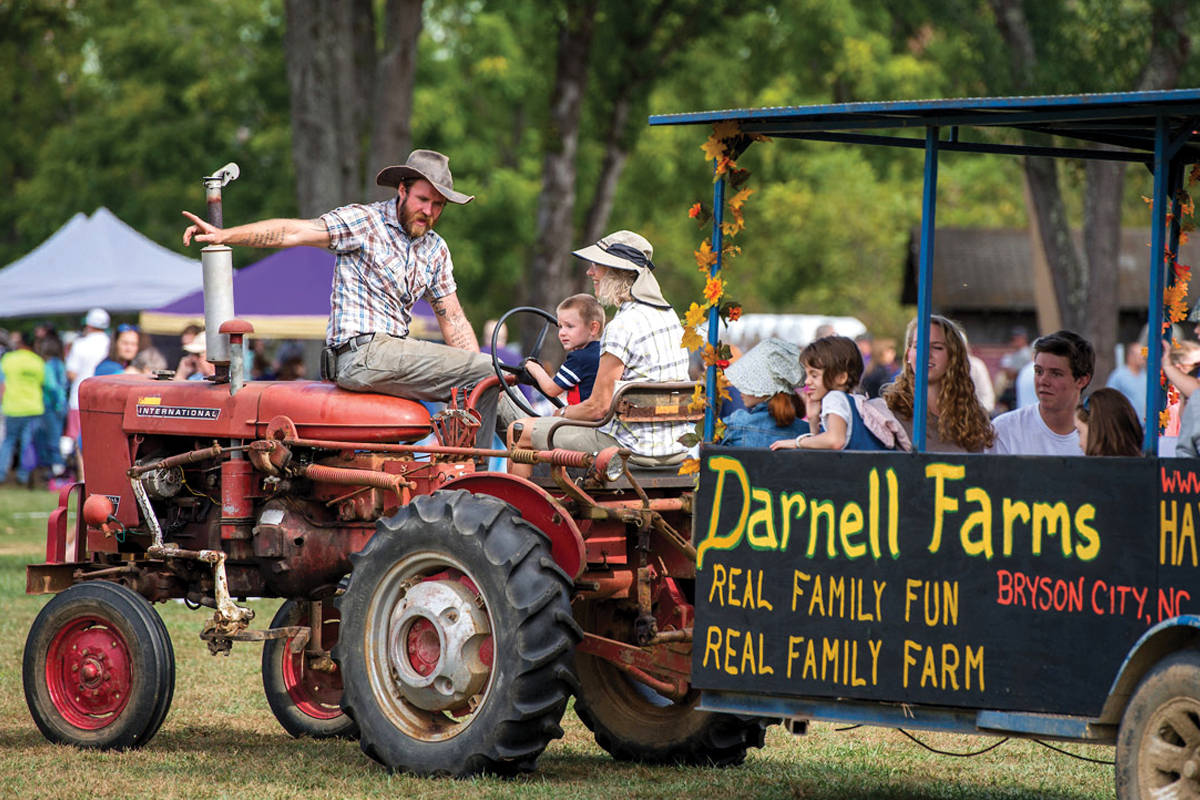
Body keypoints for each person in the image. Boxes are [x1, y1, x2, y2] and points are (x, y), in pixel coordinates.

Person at [183, 149, 505, 447]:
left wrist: (481, 371)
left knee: (496, 379)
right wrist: (226, 235)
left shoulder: (435, 249)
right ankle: (475, 478)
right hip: (361, 354)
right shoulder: (365, 222)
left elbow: (454, 320)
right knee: (486, 370)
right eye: (423, 199)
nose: (428, 211)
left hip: (394, 360)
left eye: (438, 205)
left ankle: (542, 456)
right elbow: (296, 232)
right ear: (403, 189)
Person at [507, 231, 690, 475]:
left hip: (628, 449)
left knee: (518, 431)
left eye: (596, 265)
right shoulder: (670, 318)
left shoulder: (622, 325)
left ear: (617, 271)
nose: (589, 272)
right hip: (674, 448)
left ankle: (521, 510)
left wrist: (561, 413)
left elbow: (598, 409)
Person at [884, 315, 995, 453]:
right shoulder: (887, 413)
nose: (926, 354)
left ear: (954, 356)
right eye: (918, 346)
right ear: (908, 354)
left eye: (937, 347)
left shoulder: (972, 418)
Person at [769, 335, 900, 452]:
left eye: (814, 375)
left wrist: (797, 442)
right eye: (807, 374)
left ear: (840, 377)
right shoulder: (855, 401)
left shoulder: (834, 397)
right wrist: (813, 419)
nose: (807, 381)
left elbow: (835, 440)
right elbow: (821, 451)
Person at [989, 330, 1094, 456]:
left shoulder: (1099, 435)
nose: (1043, 381)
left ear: (1082, 380)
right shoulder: (1005, 429)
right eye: (1038, 371)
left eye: (1055, 374)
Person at [718, 338, 807, 447]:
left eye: (749, 380)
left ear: (764, 387)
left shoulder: (736, 424)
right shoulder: (806, 433)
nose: (740, 387)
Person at [522, 294, 604, 405]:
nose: (562, 333)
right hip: (597, 419)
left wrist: (534, 368)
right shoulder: (603, 353)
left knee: (518, 423)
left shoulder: (579, 358)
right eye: (560, 326)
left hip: (580, 420)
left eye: (569, 326)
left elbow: (551, 389)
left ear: (593, 328)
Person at [64, 308, 110, 477]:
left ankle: (84, 478)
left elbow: (71, 373)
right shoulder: (110, 343)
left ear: (88, 324)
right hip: (104, 399)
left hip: (79, 398)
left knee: (80, 442)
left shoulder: (80, 344)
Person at [0, 332, 45, 487]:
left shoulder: (8, 359)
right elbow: (42, 382)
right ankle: (23, 476)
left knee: (8, 441)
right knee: (27, 443)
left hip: (12, 406)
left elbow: (2, 383)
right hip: (33, 407)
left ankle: (1, 474)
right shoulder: (37, 361)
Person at [34, 331, 68, 478]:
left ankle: (55, 471)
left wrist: (56, 403)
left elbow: (51, 386)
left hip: (52, 406)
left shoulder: (48, 365)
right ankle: (57, 469)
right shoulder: (60, 364)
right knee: (57, 436)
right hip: (62, 404)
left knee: (51, 438)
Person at [1074, 388, 1141, 457]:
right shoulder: (1144, 465)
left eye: (1079, 432)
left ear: (1097, 431)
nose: (1079, 444)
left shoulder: (1090, 466)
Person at [1105, 342, 1146, 420]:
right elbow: (1108, 397)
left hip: (1143, 425)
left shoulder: (1145, 375)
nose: (1142, 358)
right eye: (1139, 356)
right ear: (1130, 356)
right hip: (1126, 423)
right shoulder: (1119, 375)